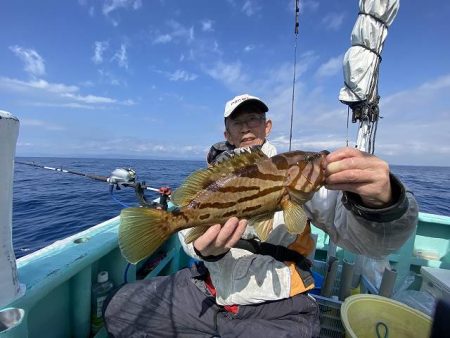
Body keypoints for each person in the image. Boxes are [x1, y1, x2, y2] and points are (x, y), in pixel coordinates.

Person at [104, 94, 418, 337]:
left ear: (267, 127)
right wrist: (202, 250)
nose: (246, 127)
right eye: (237, 122)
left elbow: (369, 242)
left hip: (280, 304)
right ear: (227, 131)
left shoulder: (293, 169)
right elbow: (189, 234)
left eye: (254, 119)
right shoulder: (214, 177)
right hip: (209, 290)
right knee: (120, 308)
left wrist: (382, 203)